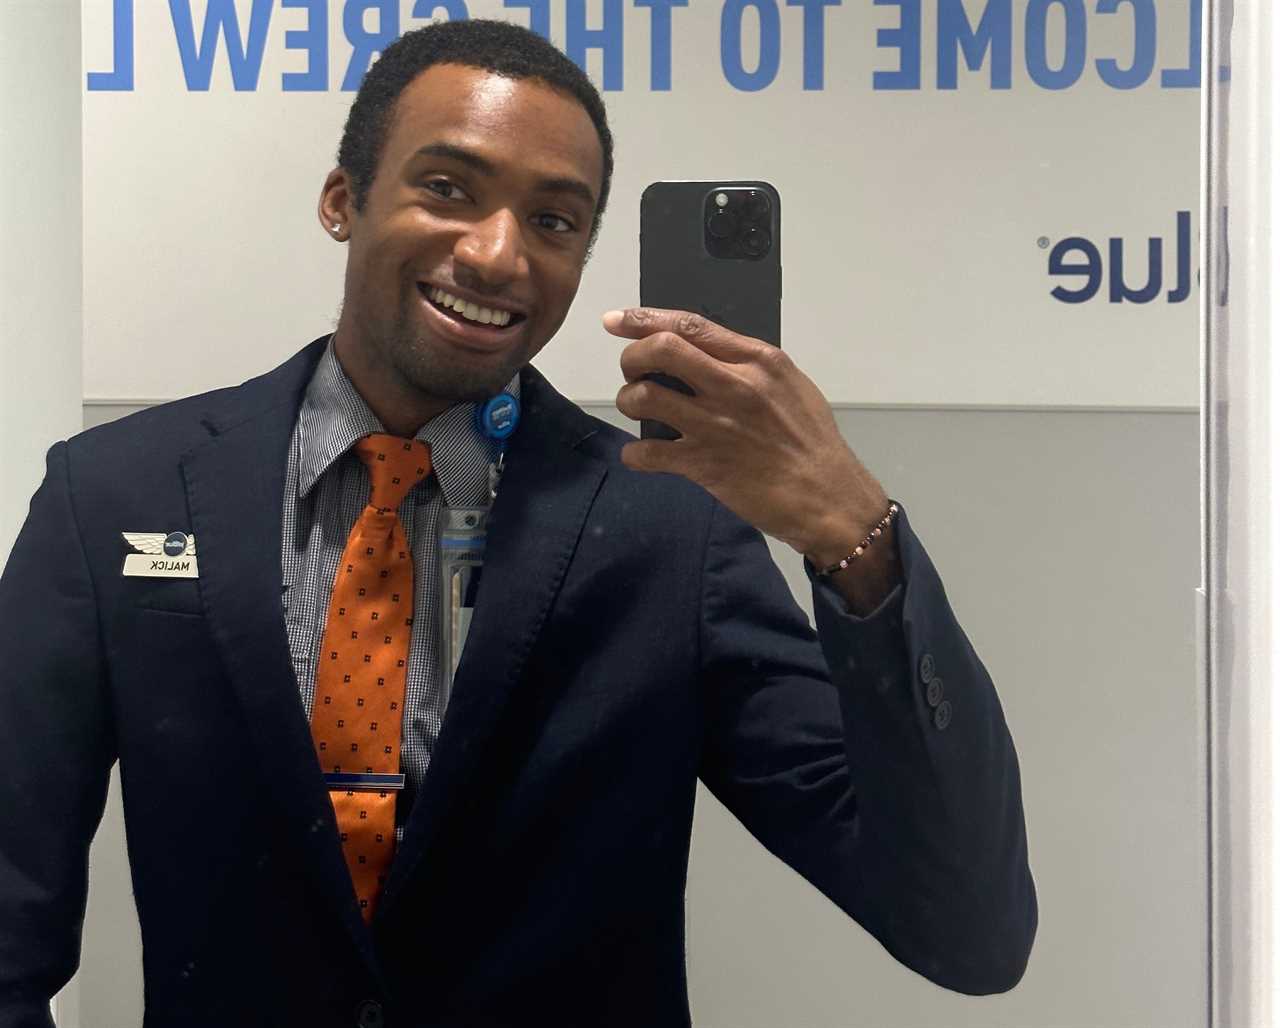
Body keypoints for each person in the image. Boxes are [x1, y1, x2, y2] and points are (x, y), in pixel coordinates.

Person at [0, 18, 1036, 1028]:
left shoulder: (670, 535)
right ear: (341, 198)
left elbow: (965, 931)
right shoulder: (117, 496)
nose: (498, 255)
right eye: (447, 188)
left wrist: (853, 531)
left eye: (553, 220)